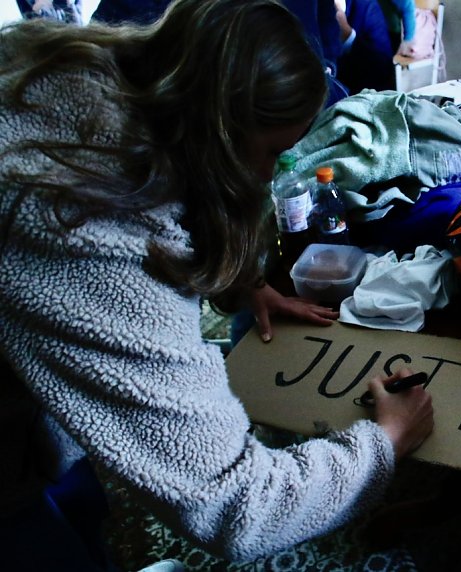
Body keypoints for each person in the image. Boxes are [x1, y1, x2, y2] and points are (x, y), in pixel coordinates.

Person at [0, 1, 434, 569]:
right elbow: (239, 506)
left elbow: (181, 203)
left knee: (76, 504)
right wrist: (385, 444)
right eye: (272, 153)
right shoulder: (82, 227)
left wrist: (241, 283)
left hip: (28, 408)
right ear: (218, 133)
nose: (266, 176)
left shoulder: (84, 65)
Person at [333, 0, 396, 93]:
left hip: (362, 94)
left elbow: (384, 67)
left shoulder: (367, 7)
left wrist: (349, 36)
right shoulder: (310, 10)